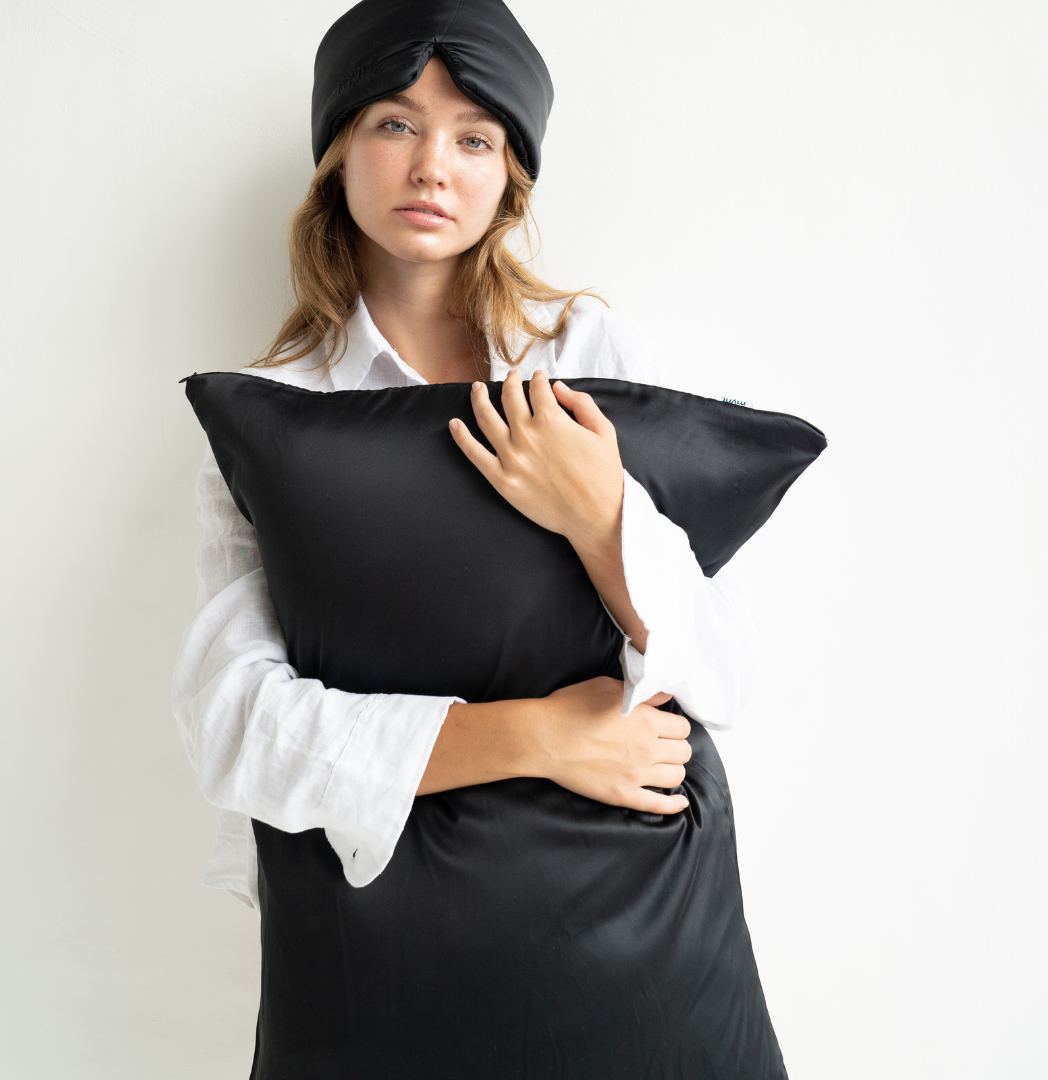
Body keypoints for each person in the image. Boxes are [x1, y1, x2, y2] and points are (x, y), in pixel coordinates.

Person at [173, 1, 782, 1075]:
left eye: (474, 138)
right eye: (394, 126)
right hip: (375, 973)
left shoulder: (593, 356)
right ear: (338, 152)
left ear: (511, 174)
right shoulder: (274, 412)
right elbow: (237, 727)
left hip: (635, 947)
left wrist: (599, 515)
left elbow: (723, 670)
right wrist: (540, 736)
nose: (431, 169)